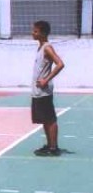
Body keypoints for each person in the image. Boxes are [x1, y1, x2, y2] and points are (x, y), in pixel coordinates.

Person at [30, 21, 66, 157]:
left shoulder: (47, 48)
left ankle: (54, 147)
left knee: (50, 119)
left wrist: (46, 79)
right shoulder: (40, 48)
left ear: (43, 33)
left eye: (35, 31)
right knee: (44, 119)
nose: (33, 33)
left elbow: (60, 64)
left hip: (44, 90)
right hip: (38, 90)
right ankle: (49, 144)